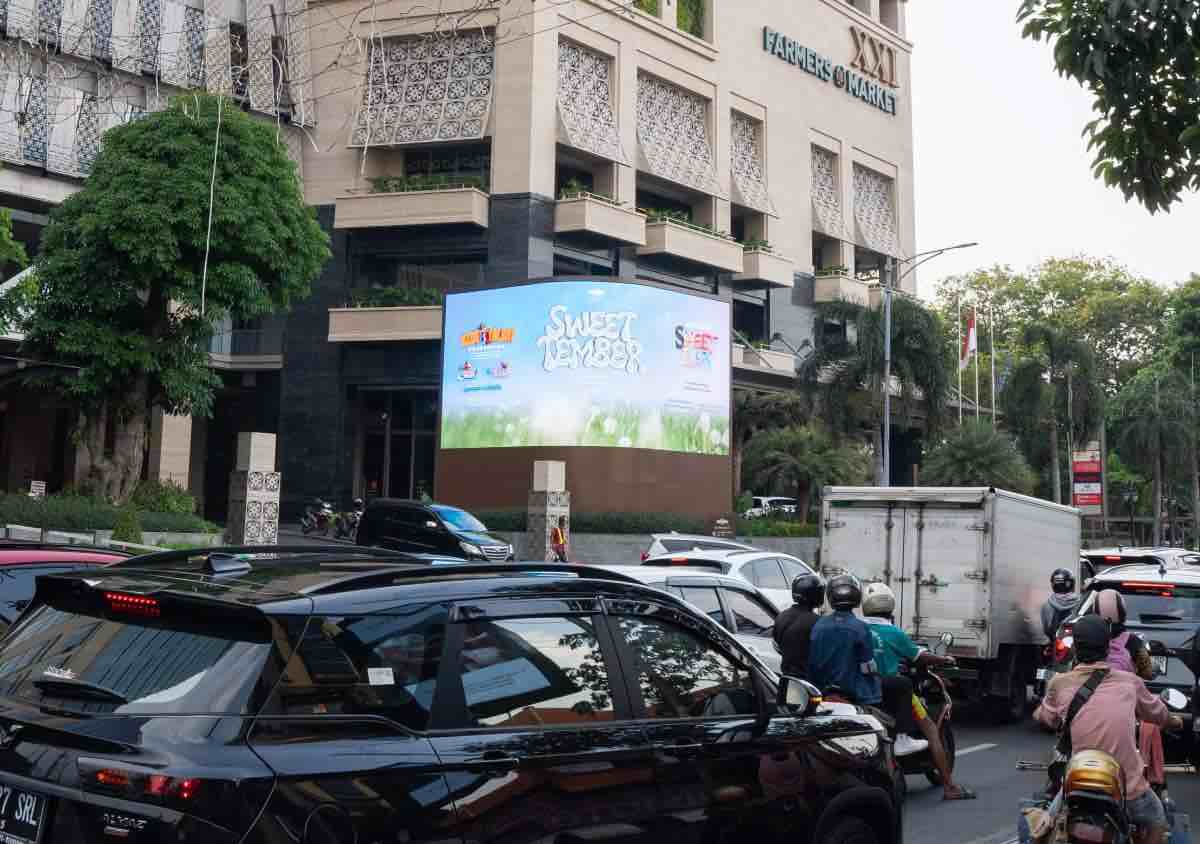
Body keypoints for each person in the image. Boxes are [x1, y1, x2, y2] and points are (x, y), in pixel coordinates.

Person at [1035, 615, 1183, 844]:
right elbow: (1158, 714)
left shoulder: (1060, 683)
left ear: (1076, 647)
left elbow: (1045, 716)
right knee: (1157, 820)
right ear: (1107, 647)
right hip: (1128, 788)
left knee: (1043, 824)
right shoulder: (1130, 682)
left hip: (1077, 784)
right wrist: (1174, 721)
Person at [861, 583, 975, 795]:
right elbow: (918, 656)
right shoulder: (893, 632)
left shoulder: (857, 629)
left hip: (861, 692)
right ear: (890, 606)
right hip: (892, 691)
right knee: (931, 730)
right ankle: (950, 787)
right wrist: (944, 659)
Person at [1092, 589, 1167, 798]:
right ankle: (1156, 784)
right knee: (1151, 727)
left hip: (1086, 701)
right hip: (1126, 704)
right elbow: (1147, 671)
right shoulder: (1132, 642)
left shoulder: (1087, 640)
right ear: (1123, 611)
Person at [773, 573, 825, 679]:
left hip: (787, 679)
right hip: (809, 681)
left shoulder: (781, 616)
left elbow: (778, 645)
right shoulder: (818, 622)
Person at [1040, 568, 1079, 640]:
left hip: (1056, 644)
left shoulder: (1046, 605)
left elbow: (1046, 630)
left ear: (1053, 585)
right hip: (1075, 644)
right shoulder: (1080, 603)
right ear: (1071, 584)